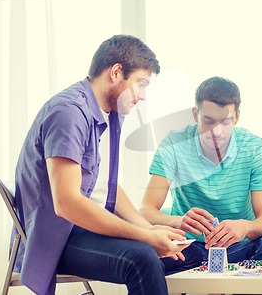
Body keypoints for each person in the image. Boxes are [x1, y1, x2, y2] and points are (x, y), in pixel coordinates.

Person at [13, 35, 201, 295]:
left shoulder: (109, 115)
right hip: (59, 237)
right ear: (116, 72)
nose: (143, 96)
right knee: (143, 258)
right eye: (141, 84)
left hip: (86, 228)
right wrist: (144, 236)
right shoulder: (69, 113)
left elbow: (107, 187)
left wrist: (148, 228)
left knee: (188, 252)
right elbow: (67, 203)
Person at [140, 76, 262, 265]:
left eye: (225, 122)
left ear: (237, 117)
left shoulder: (255, 148)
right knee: (145, 254)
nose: (216, 132)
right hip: (188, 246)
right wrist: (178, 221)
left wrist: (245, 226)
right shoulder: (174, 144)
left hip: (239, 246)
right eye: (208, 121)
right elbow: (146, 211)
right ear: (196, 115)